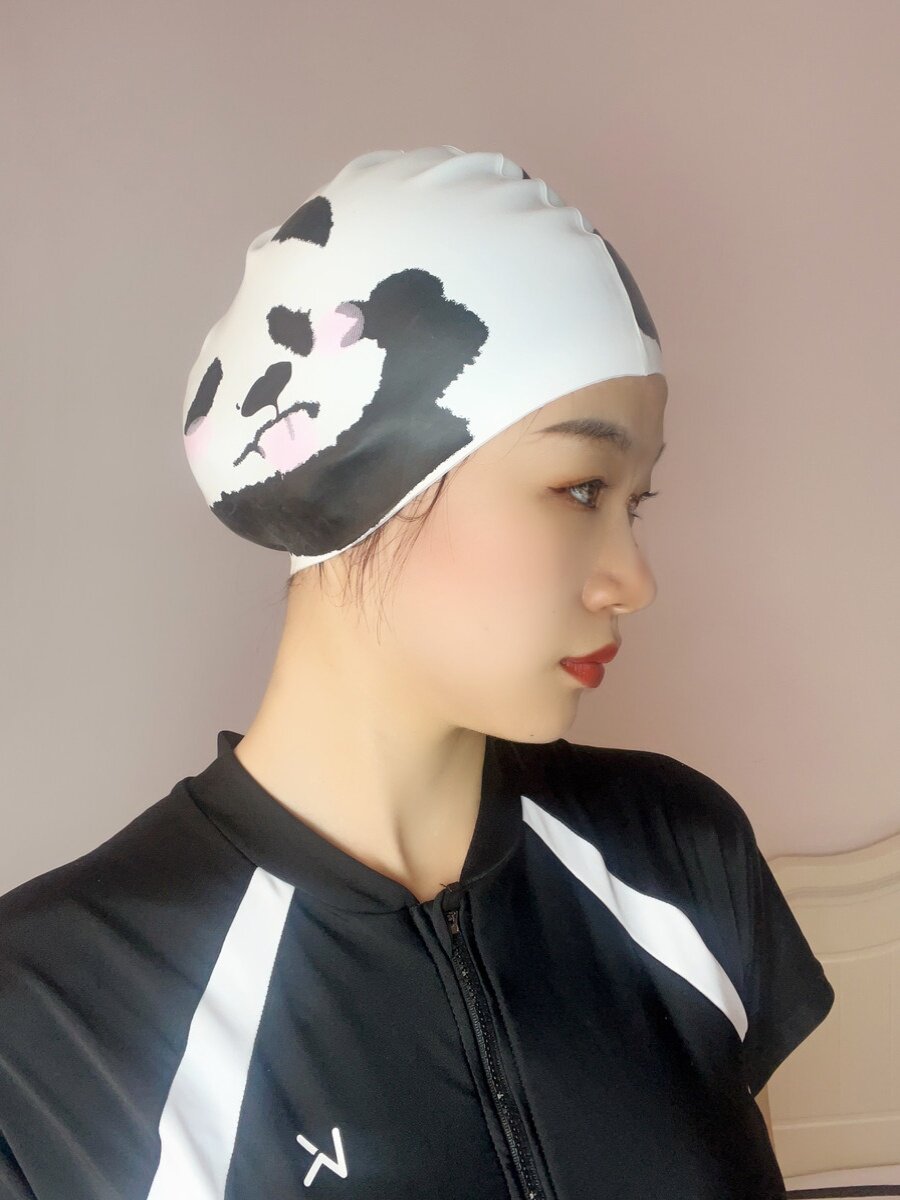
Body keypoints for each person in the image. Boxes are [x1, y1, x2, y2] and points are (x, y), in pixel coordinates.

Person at [0, 146, 833, 1199]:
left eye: (638, 501)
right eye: (582, 487)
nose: (633, 580)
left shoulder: (678, 856)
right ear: (359, 474)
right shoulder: (53, 1015)